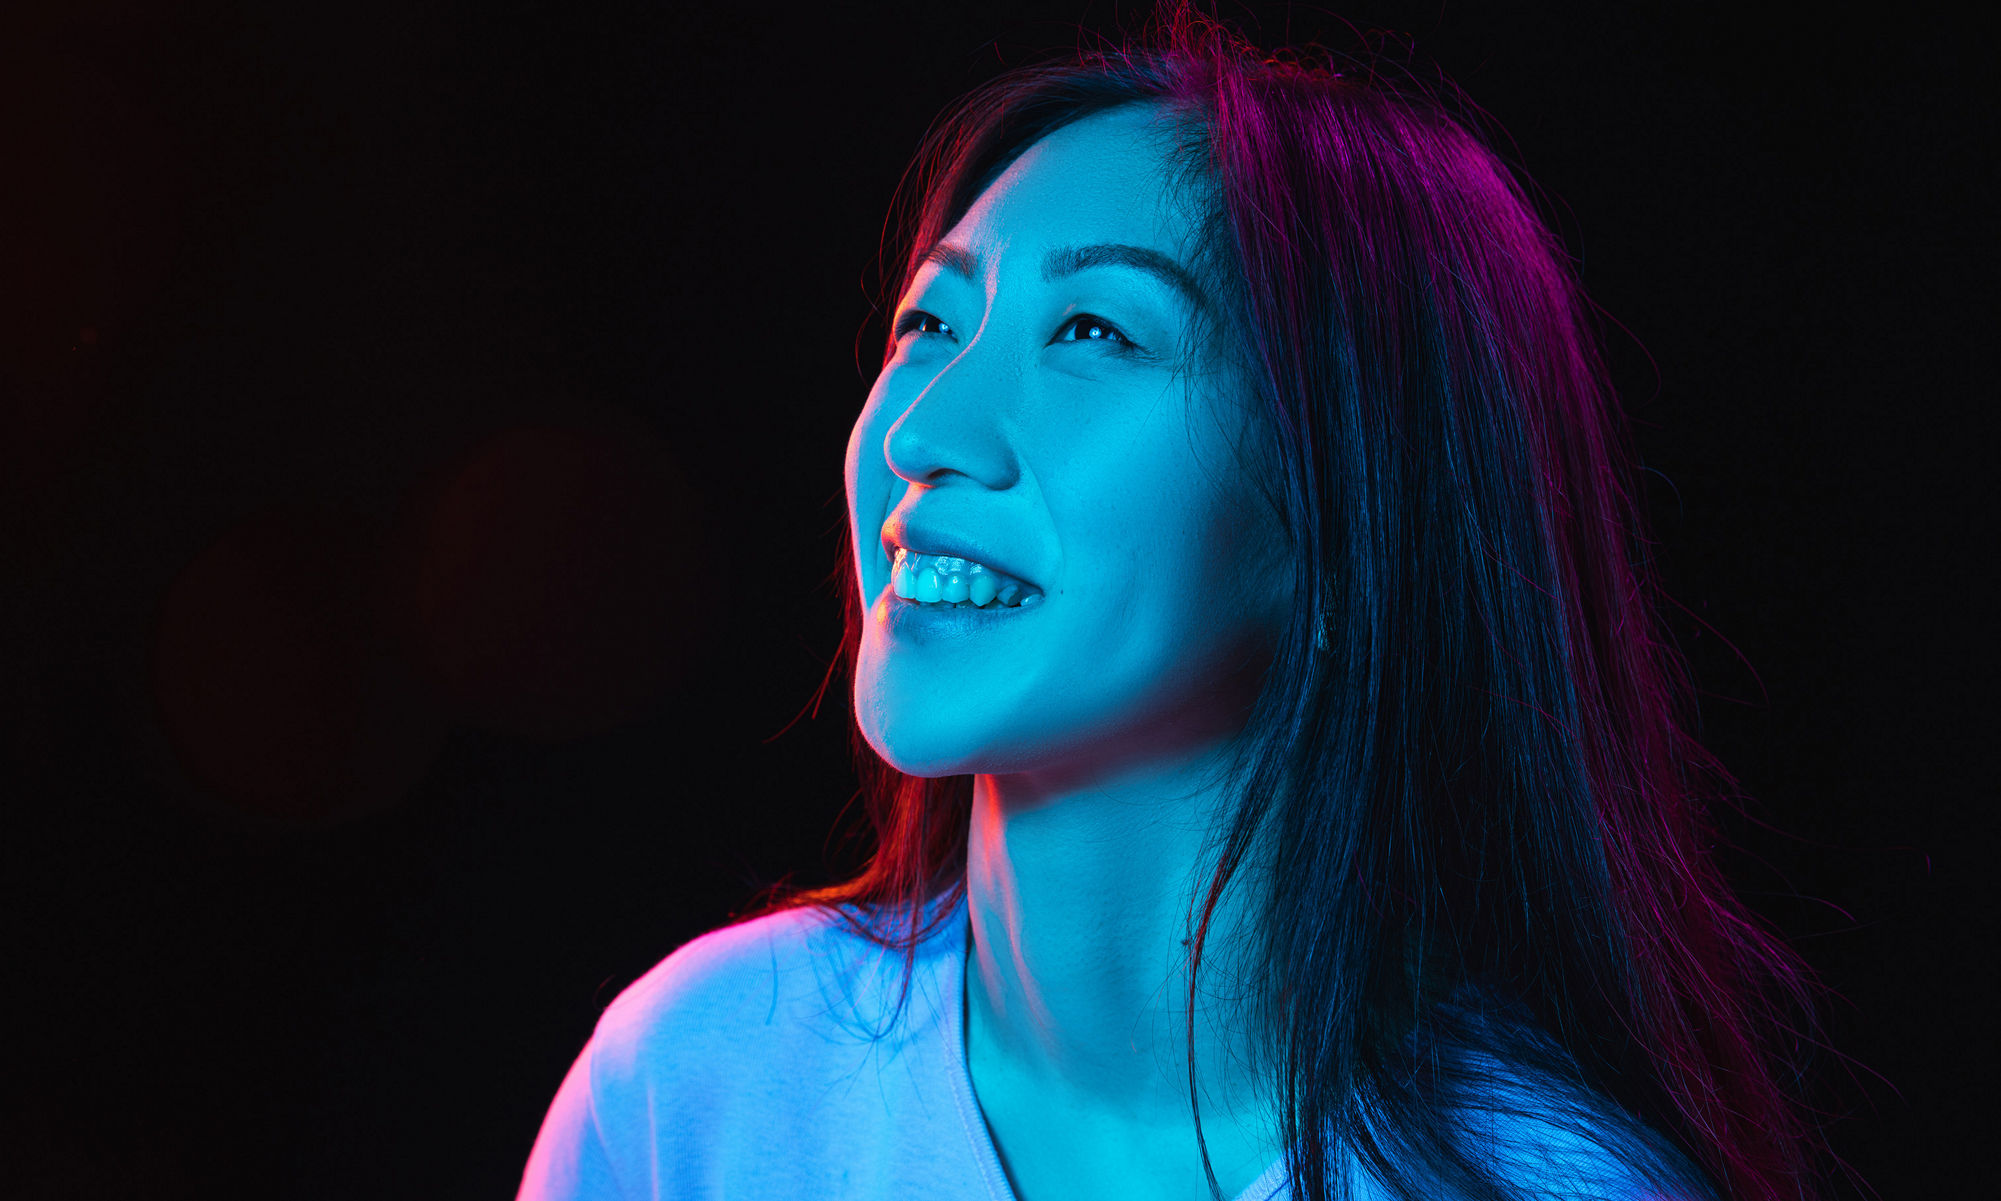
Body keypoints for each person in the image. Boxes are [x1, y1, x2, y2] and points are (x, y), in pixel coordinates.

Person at [517, 8, 1831, 1200]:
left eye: (1093, 331)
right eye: (927, 325)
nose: (923, 430)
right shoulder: (695, 1090)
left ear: (1347, 521)